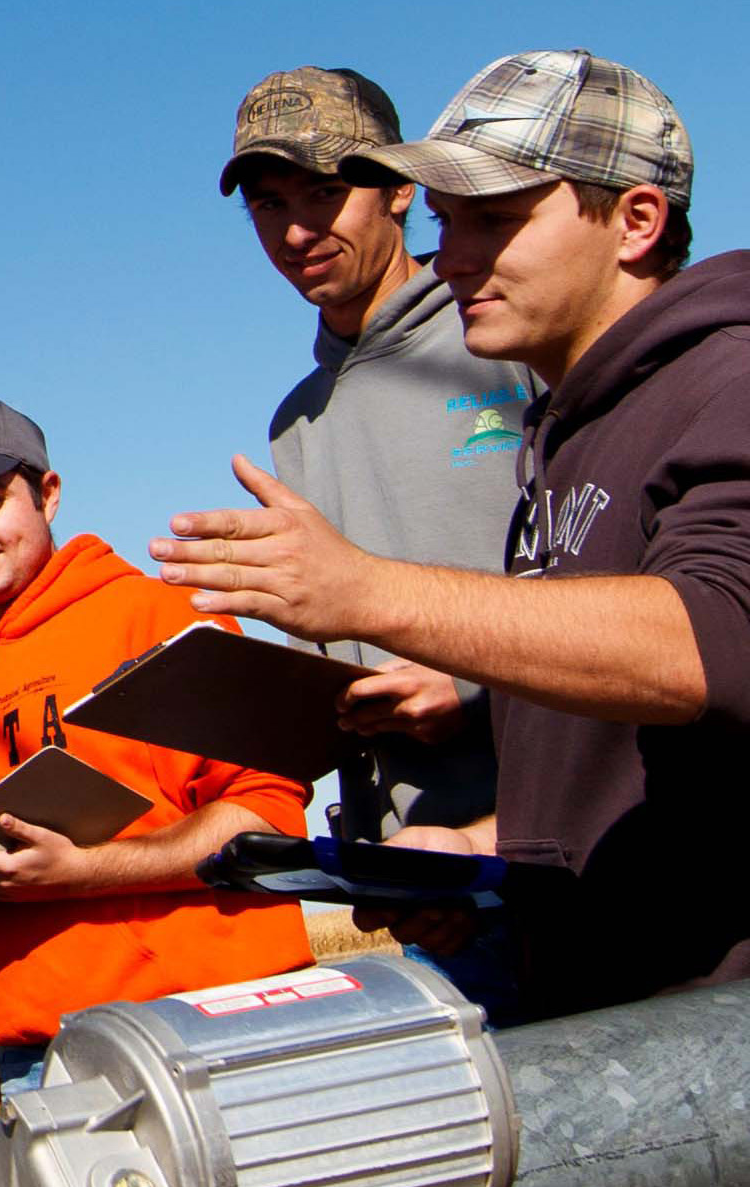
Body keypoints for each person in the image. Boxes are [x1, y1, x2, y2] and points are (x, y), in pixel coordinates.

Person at [154, 50, 750, 1187]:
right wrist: (490, 842)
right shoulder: (570, 441)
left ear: (635, 220)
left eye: (495, 217)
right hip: (660, 1108)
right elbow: (669, 757)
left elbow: (731, 647)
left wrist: (370, 593)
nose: (454, 251)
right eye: (448, 215)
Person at [0, 397, 314, 1098]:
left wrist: (86, 871)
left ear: (48, 496)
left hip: (213, 1031)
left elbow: (270, 824)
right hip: (39, 1067)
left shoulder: (159, 620)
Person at [222, 64, 530, 845]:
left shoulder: (511, 345)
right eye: (269, 204)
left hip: (565, 834)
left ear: (401, 187)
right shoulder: (297, 422)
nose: (296, 234)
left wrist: (471, 687)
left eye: (326, 193)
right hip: (420, 863)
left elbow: (644, 594)